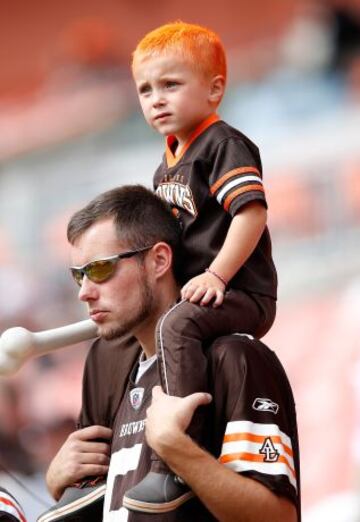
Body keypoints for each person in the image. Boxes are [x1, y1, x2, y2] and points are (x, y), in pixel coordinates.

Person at [38, 185, 300, 522]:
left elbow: (276, 517)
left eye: (101, 270)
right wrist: (58, 480)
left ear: (159, 260)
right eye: (78, 275)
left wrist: (177, 449)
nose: (85, 293)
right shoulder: (105, 362)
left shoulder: (235, 358)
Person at [126, 21, 278, 509]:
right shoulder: (164, 166)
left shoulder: (223, 145)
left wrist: (218, 275)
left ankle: (179, 462)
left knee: (176, 327)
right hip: (203, 293)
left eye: (171, 84)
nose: (156, 99)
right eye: (146, 90)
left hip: (241, 292)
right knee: (159, 331)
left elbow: (251, 212)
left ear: (214, 90)